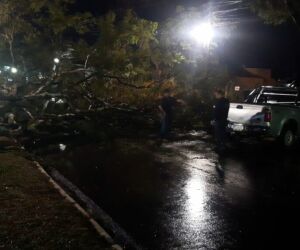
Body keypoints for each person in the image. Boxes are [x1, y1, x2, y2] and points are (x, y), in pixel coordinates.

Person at [212, 89, 230, 153]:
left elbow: (218, 111)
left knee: (219, 133)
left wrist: (214, 119)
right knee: (222, 133)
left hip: (219, 120)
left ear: (219, 94)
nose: (215, 95)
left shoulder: (220, 101)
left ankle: (220, 147)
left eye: (216, 94)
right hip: (223, 119)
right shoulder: (226, 101)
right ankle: (221, 146)